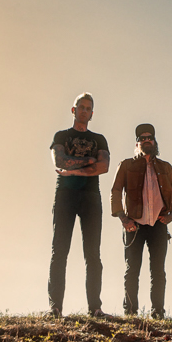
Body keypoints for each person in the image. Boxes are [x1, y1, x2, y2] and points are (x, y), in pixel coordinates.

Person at [48, 93, 110, 317]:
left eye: (88, 108)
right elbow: (59, 161)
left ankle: (95, 308)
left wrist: (73, 171)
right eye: (81, 107)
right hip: (65, 195)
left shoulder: (99, 139)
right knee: (59, 251)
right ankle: (55, 308)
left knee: (93, 254)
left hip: (91, 197)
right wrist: (88, 161)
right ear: (73, 110)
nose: (84, 111)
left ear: (92, 114)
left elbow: (104, 166)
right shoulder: (61, 136)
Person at [111, 124, 172, 319]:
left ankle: (157, 312)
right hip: (134, 224)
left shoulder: (166, 167)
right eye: (142, 138)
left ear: (154, 141)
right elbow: (115, 191)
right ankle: (130, 312)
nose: (146, 140)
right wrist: (123, 218)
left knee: (158, 271)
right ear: (137, 143)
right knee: (132, 270)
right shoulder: (126, 165)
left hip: (159, 224)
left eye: (149, 137)